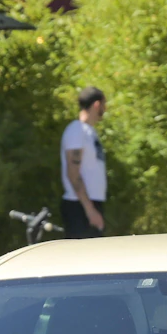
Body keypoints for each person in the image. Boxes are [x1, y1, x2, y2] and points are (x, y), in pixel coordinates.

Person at [61, 87, 108, 238]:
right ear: (96, 105)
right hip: (79, 206)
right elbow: (73, 172)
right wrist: (90, 210)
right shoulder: (77, 130)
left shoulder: (89, 132)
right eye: (104, 105)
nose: (105, 109)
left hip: (89, 205)